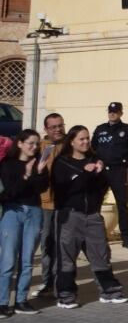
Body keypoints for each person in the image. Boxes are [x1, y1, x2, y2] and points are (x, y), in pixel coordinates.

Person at [52, 124, 128, 308]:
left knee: (100, 255)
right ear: (72, 141)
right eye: (81, 139)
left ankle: (109, 291)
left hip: (92, 215)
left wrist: (100, 173)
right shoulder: (62, 163)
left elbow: (102, 188)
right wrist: (84, 174)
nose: (86, 142)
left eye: (87, 138)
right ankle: (66, 295)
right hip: (70, 216)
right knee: (67, 258)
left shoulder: (96, 160)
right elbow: (65, 191)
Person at [0, 130, 49, 316]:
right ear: (19, 143)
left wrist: (39, 172)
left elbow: (42, 188)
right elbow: (10, 192)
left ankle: (21, 300)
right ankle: (3, 302)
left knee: (27, 260)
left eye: (37, 144)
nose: (34, 147)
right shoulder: (8, 164)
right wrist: (27, 175)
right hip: (13, 211)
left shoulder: (38, 163)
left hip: (34, 212)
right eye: (30, 143)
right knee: (8, 260)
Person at [91, 103, 128, 248]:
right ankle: (97, 235)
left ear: (121, 113)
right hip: (101, 172)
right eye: (110, 112)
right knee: (96, 203)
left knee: (122, 204)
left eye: (115, 112)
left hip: (118, 170)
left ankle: (126, 238)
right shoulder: (100, 129)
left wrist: (125, 162)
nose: (112, 114)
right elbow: (93, 148)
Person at [34, 113, 65, 302]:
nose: (58, 129)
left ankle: (62, 284)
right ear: (46, 129)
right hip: (45, 204)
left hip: (66, 205)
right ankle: (47, 283)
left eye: (60, 125)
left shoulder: (71, 145)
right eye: (53, 127)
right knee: (47, 245)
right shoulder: (39, 147)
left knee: (64, 247)